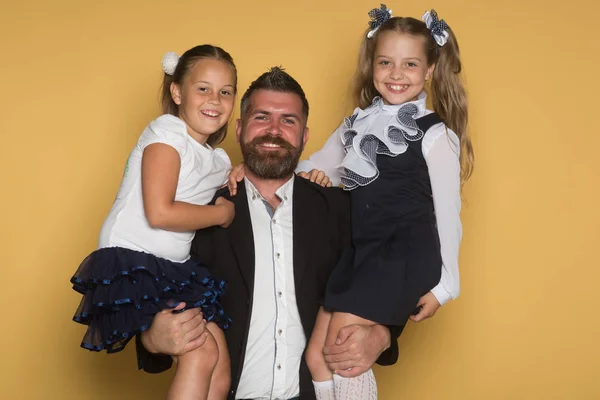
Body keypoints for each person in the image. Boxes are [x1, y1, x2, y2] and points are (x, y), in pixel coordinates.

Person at [136, 67, 399, 400]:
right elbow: (149, 287)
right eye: (262, 117)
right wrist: (152, 337)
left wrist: (383, 336)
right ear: (240, 129)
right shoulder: (196, 209)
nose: (274, 131)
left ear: (304, 137)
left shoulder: (340, 209)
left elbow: (386, 278)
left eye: (288, 121)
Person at [290, 5, 474, 399]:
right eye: (385, 62)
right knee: (317, 359)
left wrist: (446, 287)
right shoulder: (357, 124)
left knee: (343, 353)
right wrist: (314, 174)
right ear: (371, 64)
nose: (396, 74)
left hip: (401, 254)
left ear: (429, 70)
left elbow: (448, 212)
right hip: (360, 254)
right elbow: (315, 164)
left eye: (410, 64)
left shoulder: (433, 133)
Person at [70, 45, 238, 400]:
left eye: (226, 92)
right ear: (177, 92)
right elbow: (160, 212)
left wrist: (241, 171)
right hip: (134, 260)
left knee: (218, 356)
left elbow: (222, 176)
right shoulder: (167, 133)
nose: (215, 100)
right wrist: (222, 214)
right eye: (203, 88)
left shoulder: (217, 159)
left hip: (173, 268)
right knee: (200, 352)